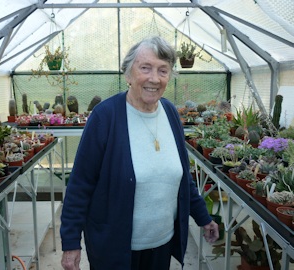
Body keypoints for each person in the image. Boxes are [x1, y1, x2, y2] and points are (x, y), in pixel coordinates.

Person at [60, 36, 219, 270]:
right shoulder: (105, 117)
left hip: (161, 244)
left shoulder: (171, 113)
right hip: (115, 250)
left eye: (163, 70)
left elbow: (182, 177)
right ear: (128, 73)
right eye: (145, 68)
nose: (154, 78)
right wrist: (71, 242)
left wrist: (203, 217)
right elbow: (80, 184)